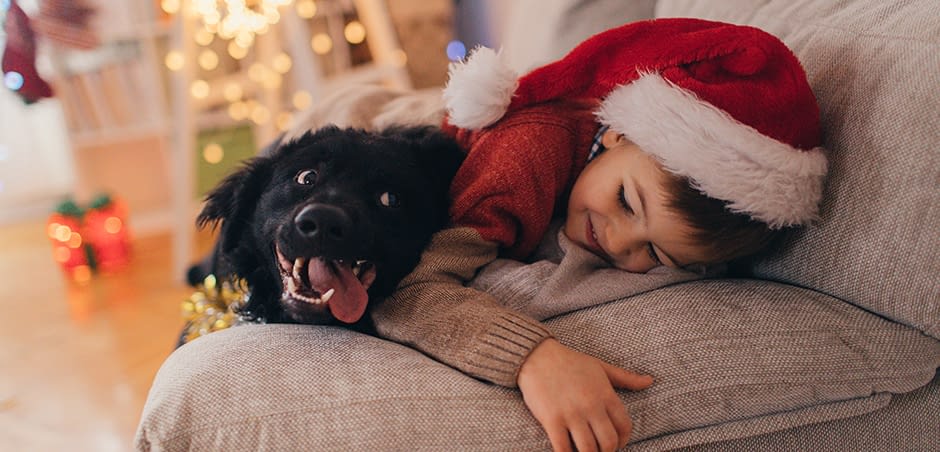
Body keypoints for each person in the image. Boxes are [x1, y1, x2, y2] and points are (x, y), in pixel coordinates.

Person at [368, 17, 828, 452]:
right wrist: (532, 357)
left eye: (654, 251)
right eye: (627, 201)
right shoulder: (526, 156)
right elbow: (409, 290)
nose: (618, 241)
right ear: (616, 135)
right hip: (386, 121)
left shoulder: (651, 201)